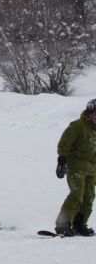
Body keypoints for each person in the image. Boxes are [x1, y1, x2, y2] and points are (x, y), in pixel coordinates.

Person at [52, 98, 96, 236]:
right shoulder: (77, 126)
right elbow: (64, 144)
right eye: (95, 113)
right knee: (77, 194)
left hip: (92, 169)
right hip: (76, 167)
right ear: (89, 112)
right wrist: (62, 161)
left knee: (89, 197)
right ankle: (62, 224)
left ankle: (79, 224)